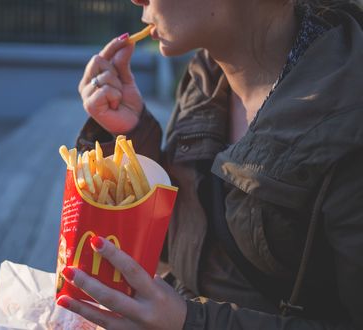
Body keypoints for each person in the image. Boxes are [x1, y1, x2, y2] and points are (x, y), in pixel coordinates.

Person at [56, 0, 363, 329]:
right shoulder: (206, 77)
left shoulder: (348, 116)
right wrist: (130, 134)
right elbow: (189, 249)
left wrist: (189, 322)